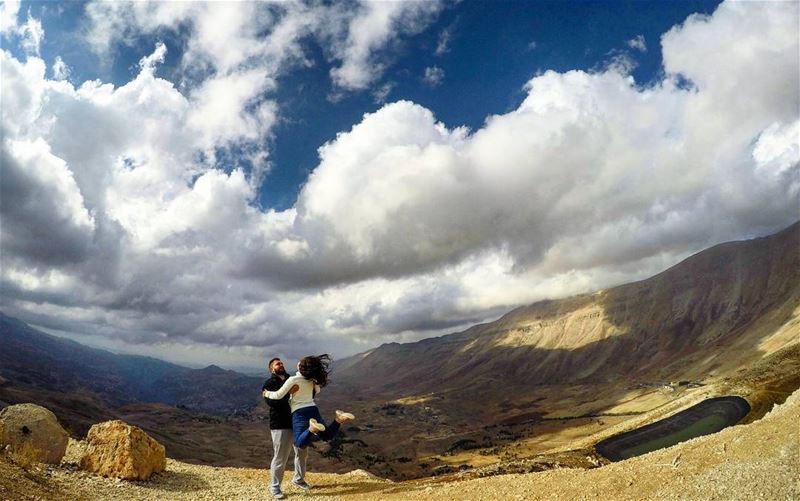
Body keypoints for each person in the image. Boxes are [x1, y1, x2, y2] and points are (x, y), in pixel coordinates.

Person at [262, 354, 355, 452]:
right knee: (327, 436)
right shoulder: (311, 380)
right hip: (313, 409)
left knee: (299, 443)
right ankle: (338, 419)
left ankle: (311, 429)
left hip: (299, 412)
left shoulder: (292, 380)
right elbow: (317, 391)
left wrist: (267, 393)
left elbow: (278, 395)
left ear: (300, 368)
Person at [262, 357, 309, 500]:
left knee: (302, 452)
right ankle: (275, 487)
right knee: (281, 457)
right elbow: (272, 402)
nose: (281, 364)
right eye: (277, 364)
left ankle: (298, 479)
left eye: (281, 363)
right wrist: (289, 393)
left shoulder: (292, 379)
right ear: (272, 368)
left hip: (297, 421)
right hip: (280, 424)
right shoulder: (269, 383)